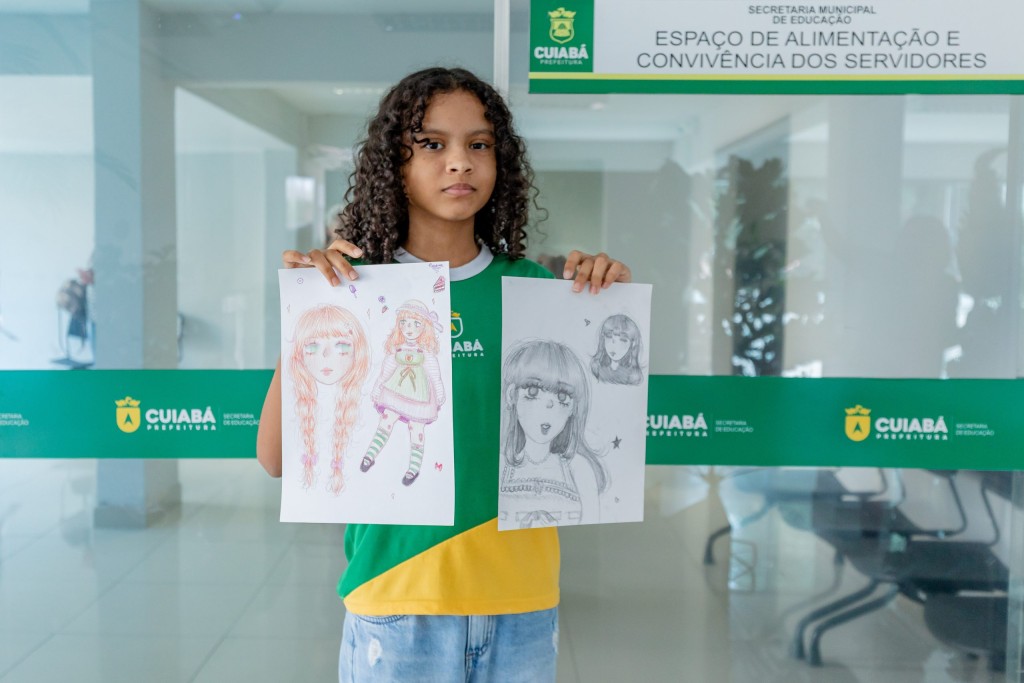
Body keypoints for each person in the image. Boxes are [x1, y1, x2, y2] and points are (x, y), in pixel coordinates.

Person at [256, 66, 631, 683]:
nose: (460, 161)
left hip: (522, 602)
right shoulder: (356, 292)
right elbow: (275, 458)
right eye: (432, 143)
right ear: (393, 163)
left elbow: (589, 429)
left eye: (479, 144)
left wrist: (604, 298)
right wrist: (309, 317)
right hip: (398, 599)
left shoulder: (540, 292)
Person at [499, 339, 608, 529]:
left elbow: (591, 529)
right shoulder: (499, 465)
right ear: (511, 396)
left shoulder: (579, 469)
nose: (548, 408)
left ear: (573, 408)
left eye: (562, 397)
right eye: (533, 391)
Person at [360, 298, 446, 486]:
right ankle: (369, 455)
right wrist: (377, 387)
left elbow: (435, 376)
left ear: (425, 328)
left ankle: (413, 468)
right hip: (395, 392)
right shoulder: (396, 349)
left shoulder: (426, 354)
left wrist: (440, 395)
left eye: (416, 324)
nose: (409, 328)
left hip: (419, 397)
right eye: (404, 323)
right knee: (386, 420)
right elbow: (385, 372)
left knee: (416, 428)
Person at [288, 305, 370, 494]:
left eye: (341, 346)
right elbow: (271, 463)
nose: (326, 355)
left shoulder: (367, 404)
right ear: (298, 354)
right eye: (312, 346)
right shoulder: (296, 402)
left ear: (358, 351)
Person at [590, 313, 644, 385]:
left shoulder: (632, 376)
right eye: (609, 337)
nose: (614, 346)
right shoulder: (597, 370)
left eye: (623, 340)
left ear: (632, 344)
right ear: (603, 339)